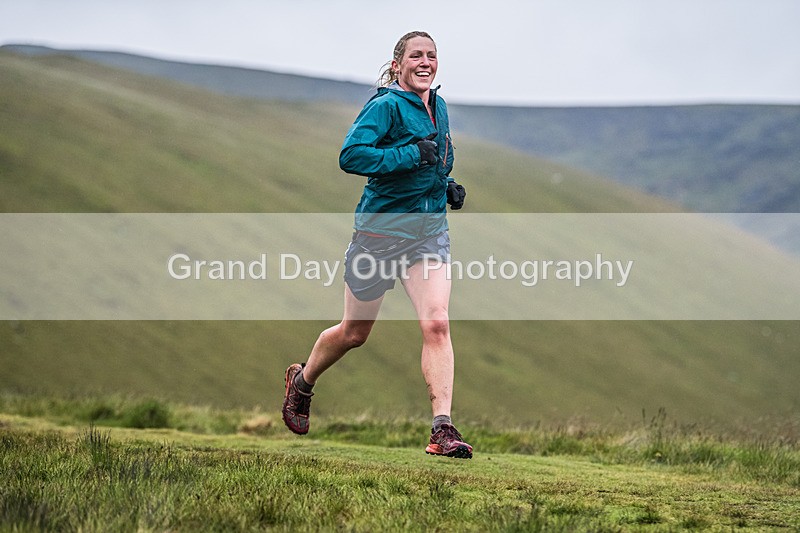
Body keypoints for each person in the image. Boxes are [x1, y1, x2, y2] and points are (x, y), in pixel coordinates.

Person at [281, 31, 471, 459]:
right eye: (416, 55)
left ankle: (443, 430)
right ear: (398, 64)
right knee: (354, 333)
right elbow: (352, 156)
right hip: (380, 236)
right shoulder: (385, 106)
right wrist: (409, 156)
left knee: (436, 322)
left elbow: (435, 157)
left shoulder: (437, 105)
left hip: (428, 234)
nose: (425, 62)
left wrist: (446, 186)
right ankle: (302, 381)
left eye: (432, 55)